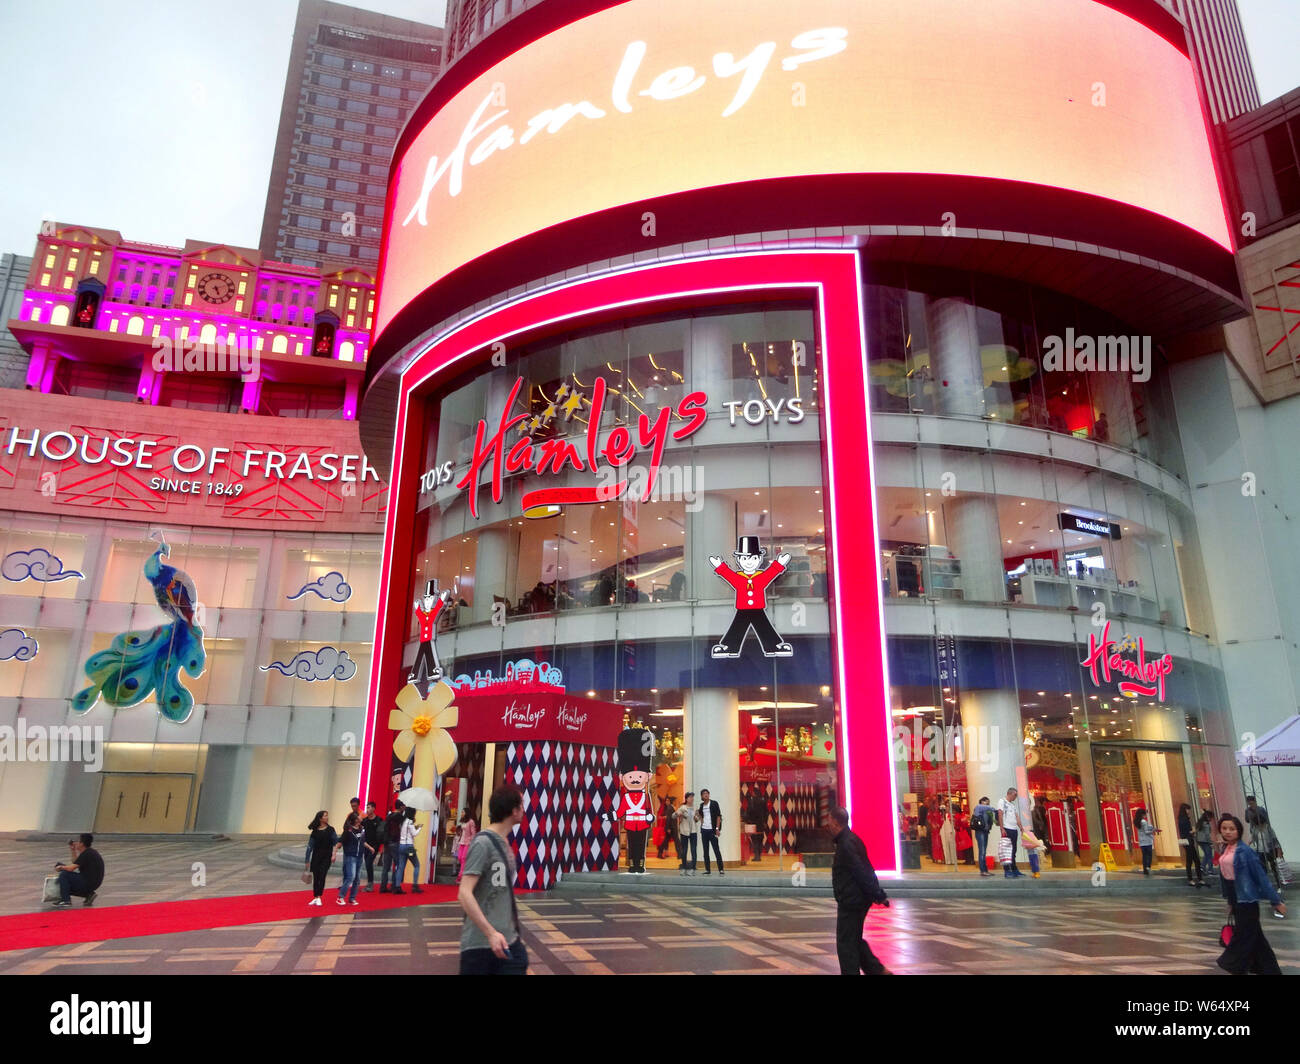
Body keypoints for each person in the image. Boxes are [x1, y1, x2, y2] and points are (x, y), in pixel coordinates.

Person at [458, 785, 528, 975]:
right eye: (521, 805)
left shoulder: (504, 842)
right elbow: (464, 893)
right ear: (514, 811)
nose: (524, 809)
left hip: (507, 942)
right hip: (480, 946)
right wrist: (490, 933)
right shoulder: (483, 843)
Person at [1216, 813, 1285, 976]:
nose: (1227, 832)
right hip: (1236, 897)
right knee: (1256, 939)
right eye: (1224, 828)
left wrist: (1276, 901)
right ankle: (1271, 971)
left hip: (1247, 900)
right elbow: (1226, 877)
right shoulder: (1226, 849)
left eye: (1232, 829)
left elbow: (1261, 877)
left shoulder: (1245, 852)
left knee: (1243, 935)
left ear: (1239, 831)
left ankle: (1234, 966)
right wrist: (1230, 902)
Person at [825, 806, 892, 975]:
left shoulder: (846, 844)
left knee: (846, 944)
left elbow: (861, 871)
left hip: (852, 900)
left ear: (835, 822)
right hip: (855, 899)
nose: (827, 824)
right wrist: (877, 894)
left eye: (829, 820)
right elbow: (866, 868)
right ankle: (878, 971)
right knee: (853, 940)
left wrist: (878, 894)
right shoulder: (850, 840)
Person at [51, 833, 104, 908]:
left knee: (64, 875)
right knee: (65, 883)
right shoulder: (89, 852)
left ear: (82, 844)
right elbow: (75, 862)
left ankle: (66, 900)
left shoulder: (87, 853)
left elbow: (71, 868)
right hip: (92, 881)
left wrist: (61, 867)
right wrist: (73, 850)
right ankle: (88, 894)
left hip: (88, 881)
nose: (76, 843)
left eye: (78, 841)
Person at [337, 811, 372, 906]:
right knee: (350, 877)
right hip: (350, 856)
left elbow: (362, 842)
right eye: (359, 817)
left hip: (360, 856)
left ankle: (352, 898)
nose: (361, 817)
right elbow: (340, 843)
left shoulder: (362, 829)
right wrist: (334, 852)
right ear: (355, 819)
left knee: (357, 878)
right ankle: (340, 897)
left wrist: (369, 847)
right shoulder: (348, 831)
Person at [1244, 796, 1281, 888]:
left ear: (1255, 802)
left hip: (1269, 849)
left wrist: (1279, 850)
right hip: (1259, 848)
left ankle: (1278, 885)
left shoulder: (1261, 811)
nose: (1250, 804)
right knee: (1262, 867)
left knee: (1273, 867)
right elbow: (1247, 820)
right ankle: (1265, 886)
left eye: (1251, 802)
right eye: (1249, 802)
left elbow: (1274, 839)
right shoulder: (1248, 812)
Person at [305, 811, 340, 906]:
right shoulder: (315, 831)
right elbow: (310, 846)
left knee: (322, 876)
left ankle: (319, 896)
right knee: (316, 877)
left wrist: (334, 854)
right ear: (320, 818)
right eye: (325, 816)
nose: (327, 817)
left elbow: (336, 842)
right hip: (316, 857)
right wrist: (307, 859)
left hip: (326, 857)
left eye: (327, 815)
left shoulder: (331, 830)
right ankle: (315, 897)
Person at [997, 788, 1024, 878]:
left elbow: (1017, 816)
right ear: (1010, 793)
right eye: (1015, 795)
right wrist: (1002, 828)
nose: (1015, 797)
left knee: (1014, 850)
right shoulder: (1002, 801)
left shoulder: (1012, 805)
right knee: (1006, 851)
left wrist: (1021, 827)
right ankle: (1007, 870)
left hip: (1013, 829)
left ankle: (1014, 869)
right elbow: (1000, 814)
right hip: (1006, 829)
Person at [397, 806, 424, 893]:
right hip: (409, 847)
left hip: (401, 846)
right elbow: (414, 834)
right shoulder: (410, 822)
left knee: (401, 867)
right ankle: (415, 886)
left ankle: (397, 886)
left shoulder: (402, 821)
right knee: (417, 865)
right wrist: (419, 827)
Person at [697, 788, 724, 875]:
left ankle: (721, 869)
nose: (706, 795)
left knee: (716, 850)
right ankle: (708, 869)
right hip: (704, 831)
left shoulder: (714, 803)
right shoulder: (701, 805)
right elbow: (701, 816)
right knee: (705, 851)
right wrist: (702, 823)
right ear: (701, 796)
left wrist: (717, 829)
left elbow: (718, 816)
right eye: (704, 794)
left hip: (712, 831)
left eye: (707, 793)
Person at [1177, 802, 1204, 887]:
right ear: (1185, 810)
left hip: (1186, 841)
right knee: (1193, 860)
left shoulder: (1180, 819)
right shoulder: (1185, 819)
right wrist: (1194, 831)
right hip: (1189, 841)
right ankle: (1195, 879)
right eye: (1188, 809)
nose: (1189, 811)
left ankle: (1194, 879)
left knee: (1192, 860)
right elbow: (1188, 831)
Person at [361, 801, 384, 891]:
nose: (368, 809)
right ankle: (369, 883)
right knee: (367, 863)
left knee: (368, 862)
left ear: (374, 809)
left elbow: (382, 833)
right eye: (367, 807)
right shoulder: (365, 821)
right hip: (366, 845)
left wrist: (379, 845)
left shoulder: (379, 820)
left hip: (375, 845)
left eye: (369, 807)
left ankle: (370, 884)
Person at [970, 796, 995, 876]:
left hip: (985, 832)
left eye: (988, 802)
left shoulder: (987, 811)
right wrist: (993, 809)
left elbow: (992, 820)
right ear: (981, 802)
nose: (987, 804)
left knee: (983, 851)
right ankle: (983, 870)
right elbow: (983, 807)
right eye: (985, 802)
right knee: (982, 851)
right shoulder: (978, 808)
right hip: (980, 832)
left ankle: (985, 870)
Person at [676, 791, 699, 876]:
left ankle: (693, 868)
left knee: (693, 850)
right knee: (684, 850)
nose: (692, 799)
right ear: (686, 799)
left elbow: (697, 820)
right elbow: (674, 815)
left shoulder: (695, 807)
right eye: (690, 797)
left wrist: (696, 817)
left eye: (692, 797)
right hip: (684, 832)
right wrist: (679, 814)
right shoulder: (682, 807)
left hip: (693, 831)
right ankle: (684, 868)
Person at [1027, 796, 1049, 879]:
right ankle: (1035, 870)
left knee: (1034, 852)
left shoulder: (1033, 811)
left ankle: (1036, 870)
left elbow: (1039, 822)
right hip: (1028, 833)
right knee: (1031, 852)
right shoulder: (1024, 811)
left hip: (1034, 833)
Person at [1134, 808, 1159, 876]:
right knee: (1149, 855)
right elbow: (1146, 832)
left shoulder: (1137, 821)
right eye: (1145, 814)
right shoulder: (1144, 822)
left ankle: (1145, 870)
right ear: (1142, 814)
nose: (1145, 815)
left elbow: (1144, 830)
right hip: (1147, 841)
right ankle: (1148, 867)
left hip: (1141, 842)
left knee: (1144, 856)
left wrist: (1151, 828)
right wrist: (1153, 831)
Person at [454, 809, 477, 881]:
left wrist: (471, 841)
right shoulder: (463, 821)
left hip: (468, 842)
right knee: (460, 857)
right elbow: (462, 831)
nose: (461, 813)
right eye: (461, 812)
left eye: (463, 812)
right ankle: (466, 870)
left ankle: (460, 876)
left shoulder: (471, 821)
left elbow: (473, 833)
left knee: (464, 858)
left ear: (466, 813)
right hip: (462, 842)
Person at [746, 789, 767, 863]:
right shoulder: (763, 801)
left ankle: (756, 856)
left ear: (754, 793)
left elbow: (749, 811)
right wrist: (765, 822)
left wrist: (747, 820)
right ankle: (759, 856)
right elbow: (766, 812)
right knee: (760, 840)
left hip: (753, 823)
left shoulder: (751, 801)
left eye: (752, 793)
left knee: (754, 840)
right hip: (761, 824)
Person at [1196, 810, 1216, 877]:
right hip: (1206, 841)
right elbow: (1207, 835)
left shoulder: (1200, 823)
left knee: (1207, 855)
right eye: (1211, 817)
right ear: (1208, 817)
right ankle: (1210, 870)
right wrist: (1211, 843)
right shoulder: (1206, 824)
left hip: (1200, 841)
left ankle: (1202, 867)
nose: (1211, 819)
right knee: (1209, 856)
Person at [657, 796, 677, 860]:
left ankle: (663, 853)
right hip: (664, 827)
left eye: (668, 800)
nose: (667, 802)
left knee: (666, 841)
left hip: (668, 826)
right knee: (664, 841)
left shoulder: (669, 807)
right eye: (666, 800)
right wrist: (665, 817)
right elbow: (660, 817)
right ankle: (660, 853)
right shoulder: (664, 808)